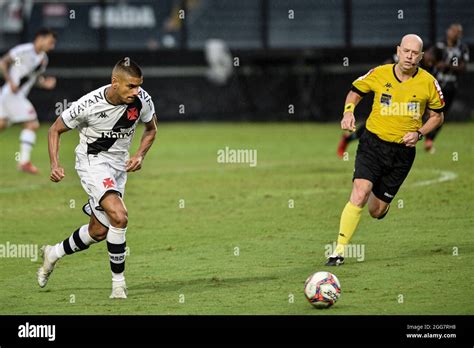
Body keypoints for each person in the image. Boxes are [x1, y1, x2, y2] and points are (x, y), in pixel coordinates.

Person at [37, 58, 157, 298]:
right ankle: (118, 285)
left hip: (118, 167)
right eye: (130, 86)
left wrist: (140, 155)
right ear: (115, 83)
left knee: (98, 232)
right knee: (119, 217)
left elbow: (151, 129)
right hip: (92, 162)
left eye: (139, 86)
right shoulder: (88, 105)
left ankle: (53, 253)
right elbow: (55, 129)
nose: (136, 92)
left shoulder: (142, 100)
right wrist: (55, 164)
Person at [326, 34, 444, 266]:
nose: (409, 57)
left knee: (376, 211)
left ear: (421, 57)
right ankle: (338, 252)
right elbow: (355, 91)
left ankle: (379, 200)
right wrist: (348, 111)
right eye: (406, 51)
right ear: (398, 50)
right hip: (372, 145)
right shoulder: (380, 73)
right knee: (359, 192)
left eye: (414, 53)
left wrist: (420, 133)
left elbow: (437, 116)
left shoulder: (428, 82)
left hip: (402, 153)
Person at [0, 28, 57, 174]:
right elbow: (3, 62)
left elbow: (34, 78)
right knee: (32, 123)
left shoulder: (43, 59)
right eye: (50, 42)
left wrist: (44, 83)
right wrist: (10, 81)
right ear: (40, 38)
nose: (52, 46)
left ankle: (24, 162)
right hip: (12, 94)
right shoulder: (23, 50)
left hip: (12, 96)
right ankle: (24, 162)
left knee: (2, 125)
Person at [424, 23, 469, 153]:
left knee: (440, 114)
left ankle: (430, 139)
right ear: (448, 32)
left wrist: (447, 66)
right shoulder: (439, 46)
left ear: (460, 35)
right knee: (425, 111)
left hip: (450, 87)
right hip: (435, 85)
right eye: (453, 31)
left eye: (457, 32)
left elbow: (463, 67)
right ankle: (417, 134)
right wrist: (430, 60)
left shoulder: (462, 48)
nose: (455, 33)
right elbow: (428, 58)